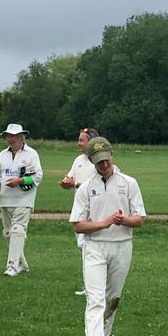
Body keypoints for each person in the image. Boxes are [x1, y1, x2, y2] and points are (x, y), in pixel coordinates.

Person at [70, 137, 146, 336]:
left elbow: (139, 219)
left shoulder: (129, 183)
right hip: (95, 247)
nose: (104, 165)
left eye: (106, 160)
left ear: (111, 155)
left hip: (122, 246)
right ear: (91, 161)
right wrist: (103, 223)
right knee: (95, 299)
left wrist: (124, 220)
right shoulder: (85, 188)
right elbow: (78, 225)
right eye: (98, 162)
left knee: (113, 298)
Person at [0, 123, 43, 277]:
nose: (10, 139)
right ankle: (22, 264)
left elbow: (38, 177)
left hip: (24, 199)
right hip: (5, 199)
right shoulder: (2, 155)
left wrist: (19, 181)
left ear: (21, 137)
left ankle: (12, 266)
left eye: (13, 136)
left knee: (17, 230)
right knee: (8, 233)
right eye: (8, 136)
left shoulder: (31, 154)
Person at [60, 127, 103, 296]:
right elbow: (70, 177)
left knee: (87, 247)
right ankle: (90, 286)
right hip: (80, 209)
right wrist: (66, 182)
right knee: (82, 247)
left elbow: (99, 184)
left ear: (91, 141)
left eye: (81, 140)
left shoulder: (98, 161)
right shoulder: (78, 159)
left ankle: (93, 287)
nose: (78, 143)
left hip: (95, 210)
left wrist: (76, 184)